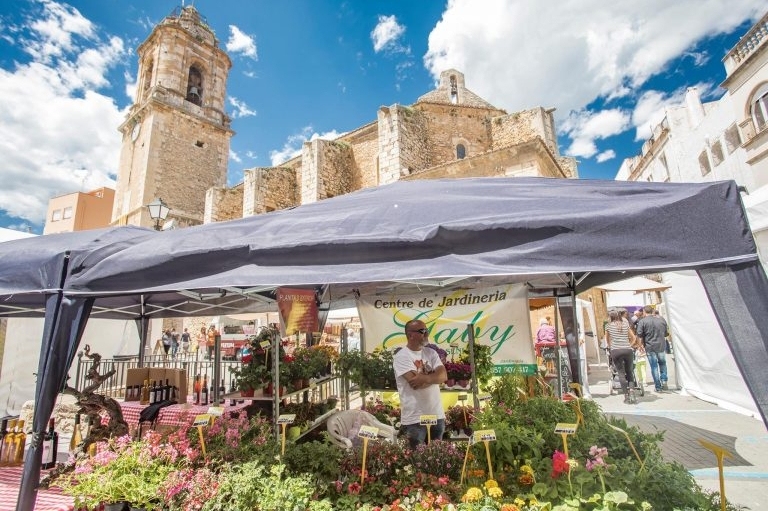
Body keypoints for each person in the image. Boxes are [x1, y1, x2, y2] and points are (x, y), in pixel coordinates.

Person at [393, 319, 447, 448]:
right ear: (410, 335)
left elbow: (443, 376)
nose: (426, 334)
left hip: (437, 416)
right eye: (422, 331)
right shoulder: (402, 356)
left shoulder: (431, 353)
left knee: (437, 458)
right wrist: (434, 377)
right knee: (415, 458)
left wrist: (424, 378)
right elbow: (416, 384)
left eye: (427, 330)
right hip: (415, 419)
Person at [636, 304, 669, 392]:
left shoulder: (642, 321)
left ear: (644, 312)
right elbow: (666, 333)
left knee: (654, 366)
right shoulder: (661, 319)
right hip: (661, 345)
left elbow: (639, 335)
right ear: (652, 311)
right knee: (662, 363)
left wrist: (640, 346)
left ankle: (658, 387)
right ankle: (664, 380)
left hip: (650, 346)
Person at [605, 309, 636, 403]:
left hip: (616, 351)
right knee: (629, 371)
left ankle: (626, 396)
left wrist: (611, 347)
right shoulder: (625, 324)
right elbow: (633, 337)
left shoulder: (608, 326)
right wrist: (629, 345)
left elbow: (607, 339)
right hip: (627, 350)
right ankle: (632, 392)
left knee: (621, 373)